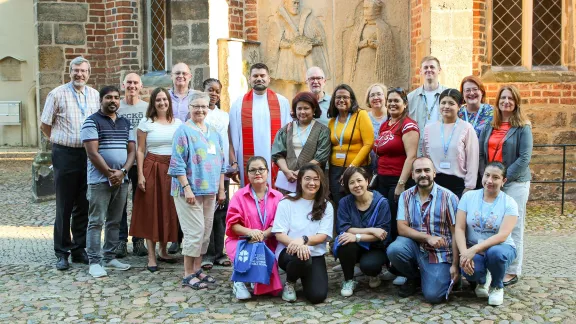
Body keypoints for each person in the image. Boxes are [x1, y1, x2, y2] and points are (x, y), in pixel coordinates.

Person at [40, 56, 100, 270]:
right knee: (64, 204)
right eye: (75, 70)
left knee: (84, 203)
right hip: (64, 154)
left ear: (88, 73)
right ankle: (62, 252)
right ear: (70, 71)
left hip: (88, 154)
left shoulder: (94, 95)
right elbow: (45, 124)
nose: (79, 74)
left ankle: (78, 248)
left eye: (83, 71)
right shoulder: (57, 94)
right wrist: (59, 141)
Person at [168, 92, 226, 289]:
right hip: (189, 192)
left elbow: (221, 164)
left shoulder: (213, 132)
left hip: (209, 192)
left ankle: (198, 269)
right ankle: (187, 273)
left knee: (205, 232)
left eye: (204, 106)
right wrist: (187, 188)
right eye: (196, 106)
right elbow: (176, 164)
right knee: (194, 232)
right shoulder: (183, 131)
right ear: (189, 108)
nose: (200, 110)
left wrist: (221, 190)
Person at [478, 85, 532, 287]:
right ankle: (494, 265)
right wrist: (488, 177)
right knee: (491, 223)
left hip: (515, 182)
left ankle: (512, 270)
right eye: (503, 98)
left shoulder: (523, 127)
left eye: (510, 98)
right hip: (492, 183)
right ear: (498, 102)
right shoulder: (490, 125)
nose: (506, 101)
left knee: (514, 226)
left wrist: (503, 178)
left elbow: (524, 157)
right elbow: (483, 153)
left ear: (516, 102)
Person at [386, 157, 459, 303]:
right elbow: (402, 228)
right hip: (415, 247)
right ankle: (414, 277)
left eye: (427, 170)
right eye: (418, 171)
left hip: (440, 253)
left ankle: (434, 277)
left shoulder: (449, 197)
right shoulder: (405, 196)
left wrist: (455, 266)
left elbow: (456, 233)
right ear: (412, 175)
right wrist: (427, 237)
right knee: (394, 249)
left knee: (434, 296)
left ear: (434, 173)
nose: (423, 174)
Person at [81, 85, 135, 278]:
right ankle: (94, 261)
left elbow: (132, 151)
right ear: (101, 100)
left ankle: (110, 257)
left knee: (114, 221)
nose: (113, 100)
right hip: (99, 181)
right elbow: (92, 153)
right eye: (108, 97)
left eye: (116, 97)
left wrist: (122, 172)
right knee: (96, 221)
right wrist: (110, 174)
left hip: (122, 179)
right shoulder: (91, 121)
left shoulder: (125, 123)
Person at [129, 87, 182, 272]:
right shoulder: (146, 123)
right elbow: (140, 150)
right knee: (151, 211)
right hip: (151, 167)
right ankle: (151, 256)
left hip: (171, 169)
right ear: (153, 102)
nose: (162, 103)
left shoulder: (178, 123)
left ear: (169, 102)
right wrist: (141, 175)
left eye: (165, 99)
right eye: (158, 100)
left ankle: (163, 251)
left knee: (168, 209)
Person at [455, 161, 519, 306]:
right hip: (473, 248)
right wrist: (464, 253)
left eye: (495, 177)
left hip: (501, 247)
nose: (489, 181)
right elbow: (459, 228)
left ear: (503, 181)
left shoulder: (509, 203)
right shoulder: (468, 197)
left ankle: (497, 286)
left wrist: (474, 249)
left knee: (495, 254)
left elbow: (503, 235)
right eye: (487, 175)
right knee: (470, 271)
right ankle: (482, 281)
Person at [272, 163, 334, 304]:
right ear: (300, 180)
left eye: (316, 179)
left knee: (317, 295)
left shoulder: (326, 205)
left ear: (321, 182)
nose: (311, 183)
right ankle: (290, 282)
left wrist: (304, 240)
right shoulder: (286, 201)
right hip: (289, 252)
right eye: (307, 178)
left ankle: (305, 276)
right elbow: (279, 234)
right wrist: (298, 245)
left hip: (314, 253)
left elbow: (323, 236)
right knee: (302, 258)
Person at [225, 156, 284, 300]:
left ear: (267, 172)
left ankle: (254, 278)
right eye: (253, 170)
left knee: (272, 291)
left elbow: (279, 224)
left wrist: (263, 235)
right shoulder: (239, 196)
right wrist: (251, 232)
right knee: (247, 252)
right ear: (248, 174)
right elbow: (233, 225)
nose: (257, 173)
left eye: (261, 169)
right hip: (242, 241)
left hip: (268, 242)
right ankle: (239, 280)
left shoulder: (278, 196)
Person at [228, 63, 292, 186]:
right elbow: (232, 137)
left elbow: (287, 134)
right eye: (255, 76)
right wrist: (234, 162)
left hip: (275, 158)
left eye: (262, 75)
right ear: (249, 79)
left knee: (274, 194)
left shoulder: (282, 102)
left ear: (269, 78)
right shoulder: (238, 104)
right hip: (246, 158)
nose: (259, 78)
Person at [335, 166, 391, 297]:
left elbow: (382, 234)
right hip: (354, 244)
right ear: (347, 186)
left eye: (359, 180)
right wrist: (370, 230)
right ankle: (348, 280)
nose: (356, 185)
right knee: (344, 242)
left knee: (370, 266)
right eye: (351, 182)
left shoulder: (381, 202)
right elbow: (344, 228)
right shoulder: (345, 202)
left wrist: (358, 236)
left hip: (375, 247)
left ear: (367, 181)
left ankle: (374, 273)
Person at [373, 88, 418, 244]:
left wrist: (401, 184)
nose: (392, 104)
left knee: (394, 219)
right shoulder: (385, 125)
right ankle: (382, 254)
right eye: (390, 100)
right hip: (382, 179)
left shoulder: (408, 125)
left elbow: (411, 156)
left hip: (398, 180)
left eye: (396, 101)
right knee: (383, 217)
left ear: (405, 104)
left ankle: (394, 258)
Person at [422, 89, 479, 198]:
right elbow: (425, 157)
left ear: (459, 106)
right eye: (443, 103)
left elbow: (473, 160)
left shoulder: (467, 128)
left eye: (451, 103)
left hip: (458, 185)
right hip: (434, 184)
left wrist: (469, 187)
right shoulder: (429, 129)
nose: (446, 106)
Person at [116, 72, 148, 258]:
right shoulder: (117, 106)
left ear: (141, 86)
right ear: (123, 85)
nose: (132, 86)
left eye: (135, 83)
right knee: (120, 203)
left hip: (141, 163)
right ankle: (120, 241)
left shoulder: (146, 107)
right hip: (121, 162)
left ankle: (138, 241)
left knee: (140, 203)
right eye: (129, 82)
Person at [271, 92, 331, 193]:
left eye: (306, 108)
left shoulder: (322, 130)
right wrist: (286, 171)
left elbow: (321, 157)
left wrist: (301, 172)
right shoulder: (286, 129)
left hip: (313, 181)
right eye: (299, 108)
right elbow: (277, 154)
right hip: (289, 181)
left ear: (314, 109)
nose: (302, 112)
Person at [202, 78, 232, 270]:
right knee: (206, 213)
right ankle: (207, 254)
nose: (213, 94)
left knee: (221, 211)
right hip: (204, 169)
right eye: (209, 90)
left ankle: (220, 252)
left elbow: (227, 140)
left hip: (222, 168)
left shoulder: (224, 116)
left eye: (216, 91)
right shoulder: (200, 113)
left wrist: (233, 161)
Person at [327, 84, 374, 207]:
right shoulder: (332, 121)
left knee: (357, 202)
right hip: (336, 170)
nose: (341, 100)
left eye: (345, 97)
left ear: (351, 99)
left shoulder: (361, 115)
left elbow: (368, 143)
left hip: (358, 169)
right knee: (340, 203)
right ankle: (344, 226)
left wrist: (352, 167)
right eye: (338, 97)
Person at [168, 62, 197, 253]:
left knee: (190, 196)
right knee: (172, 198)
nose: (181, 76)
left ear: (190, 76)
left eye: (184, 73)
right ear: (172, 76)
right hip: (168, 153)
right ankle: (173, 238)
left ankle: (189, 238)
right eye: (177, 73)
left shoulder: (196, 96)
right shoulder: (165, 97)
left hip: (193, 153)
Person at [267, 0, 331, 83]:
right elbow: (276, 41)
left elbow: (320, 38)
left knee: (308, 86)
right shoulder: (279, 20)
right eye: (294, 3)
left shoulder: (308, 17)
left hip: (307, 60)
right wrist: (294, 44)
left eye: (298, 3)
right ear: (286, 3)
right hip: (288, 59)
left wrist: (308, 42)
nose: (296, 5)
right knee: (290, 87)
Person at [407, 56, 447, 155]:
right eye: (425, 67)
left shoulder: (448, 94)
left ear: (439, 70)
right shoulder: (411, 98)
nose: (429, 70)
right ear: (420, 71)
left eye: (432, 67)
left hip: (442, 147)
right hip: (418, 149)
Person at [365, 83, 388, 174]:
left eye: (379, 94)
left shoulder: (392, 117)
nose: (375, 97)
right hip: (369, 168)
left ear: (385, 97)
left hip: (389, 167)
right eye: (372, 95)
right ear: (368, 99)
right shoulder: (364, 118)